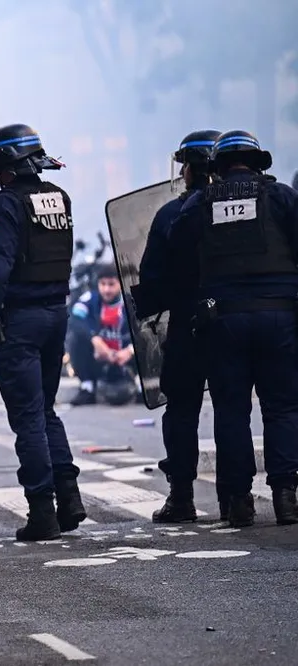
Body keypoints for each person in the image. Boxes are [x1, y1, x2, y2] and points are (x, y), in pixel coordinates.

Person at [169, 129, 298, 528]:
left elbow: (176, 247)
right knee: (282, 408)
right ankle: (286, 498)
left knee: (231, 410)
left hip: (223, 321)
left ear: (217, 167)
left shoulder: (201, 203)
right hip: (279, 317)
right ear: (258, 162)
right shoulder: (280, 197)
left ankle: (239, 501)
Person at [0, 124, 84, 541]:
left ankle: (42, 512)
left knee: (28, 417)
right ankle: (69, 499)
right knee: (46, 409)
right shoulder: (59, 197)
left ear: (9, 165)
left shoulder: (5, 207)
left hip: (20, 320)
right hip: (57, 313)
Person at [134, 130, 226, 522]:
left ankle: (182, 498)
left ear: (191, 168)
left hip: (188, 325)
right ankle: (241, 500)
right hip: (232, 323)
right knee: (232, 407)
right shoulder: (255, 205)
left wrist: (153, 308)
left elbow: (151, 276)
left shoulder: (172, 213)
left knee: (183, 411)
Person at [68, 264, 137, 406]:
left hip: (126, 357)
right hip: (98, 357)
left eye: (111, 284)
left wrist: (130, 351)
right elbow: (75, 318)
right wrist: (95, 340)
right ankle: (87, 387)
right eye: (103, 284)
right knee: (74, 338)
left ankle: (143, 387)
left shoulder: (131, 302)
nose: (106, 289)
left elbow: (146, 328)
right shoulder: (90, 299)